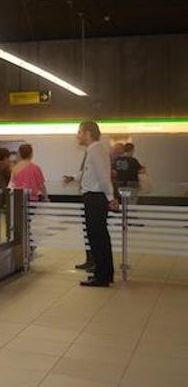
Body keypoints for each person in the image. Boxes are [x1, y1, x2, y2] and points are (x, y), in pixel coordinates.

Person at [74, 121, 118, 287]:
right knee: (99, 237)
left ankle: (103, 276)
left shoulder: (96, 151)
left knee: (98, 237)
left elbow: (103, 177)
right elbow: (91, 174)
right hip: (94, 197)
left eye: (80, 132)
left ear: (88, 133)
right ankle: (104, 273)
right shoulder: (93, 150)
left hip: (95, 198)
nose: (77, 135)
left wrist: (110, 197)